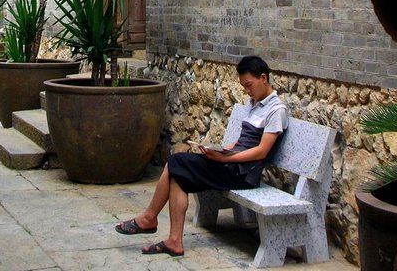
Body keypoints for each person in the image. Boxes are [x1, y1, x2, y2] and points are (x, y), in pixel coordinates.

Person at [114, 55, 289, 257]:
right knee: (179, 176)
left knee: (176, 162)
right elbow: (242, 141)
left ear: (263, 78)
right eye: (243, 86)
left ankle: (149, 219)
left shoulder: (276, 110)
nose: (246, 90)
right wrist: (220, 149)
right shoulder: (255, 103)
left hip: (242, 174)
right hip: (232, 164)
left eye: (249, 85)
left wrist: (225, 158)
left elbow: (261, 151)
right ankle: (174, 241)